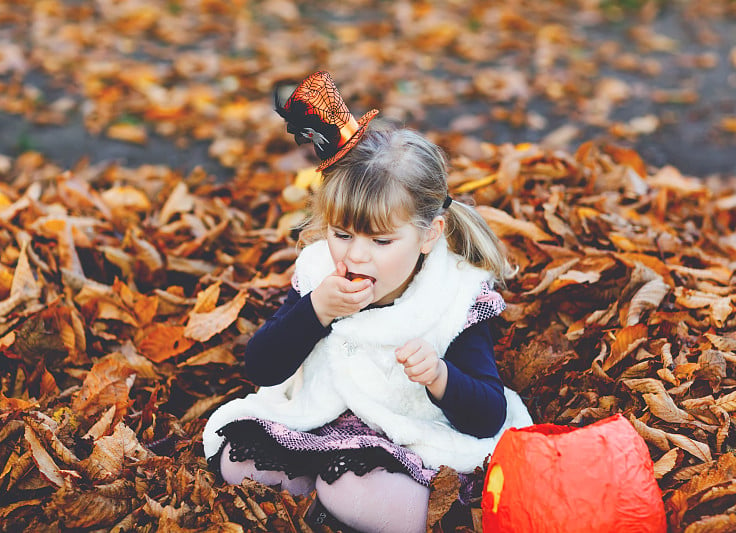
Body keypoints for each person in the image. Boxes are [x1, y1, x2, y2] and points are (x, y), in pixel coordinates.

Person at [203, 71, 532, 533]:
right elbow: (261, 367)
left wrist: (439, 376)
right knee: (240, 463)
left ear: (427, 235)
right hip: (321, 421)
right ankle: (324, 511)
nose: (355, 255)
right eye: (341, 234)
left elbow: (487, 415)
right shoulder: (322, 276)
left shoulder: (450, 299)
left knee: (359, 490)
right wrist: (315, 311)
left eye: (380, 241)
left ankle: (342, 509)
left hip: (405, 442)